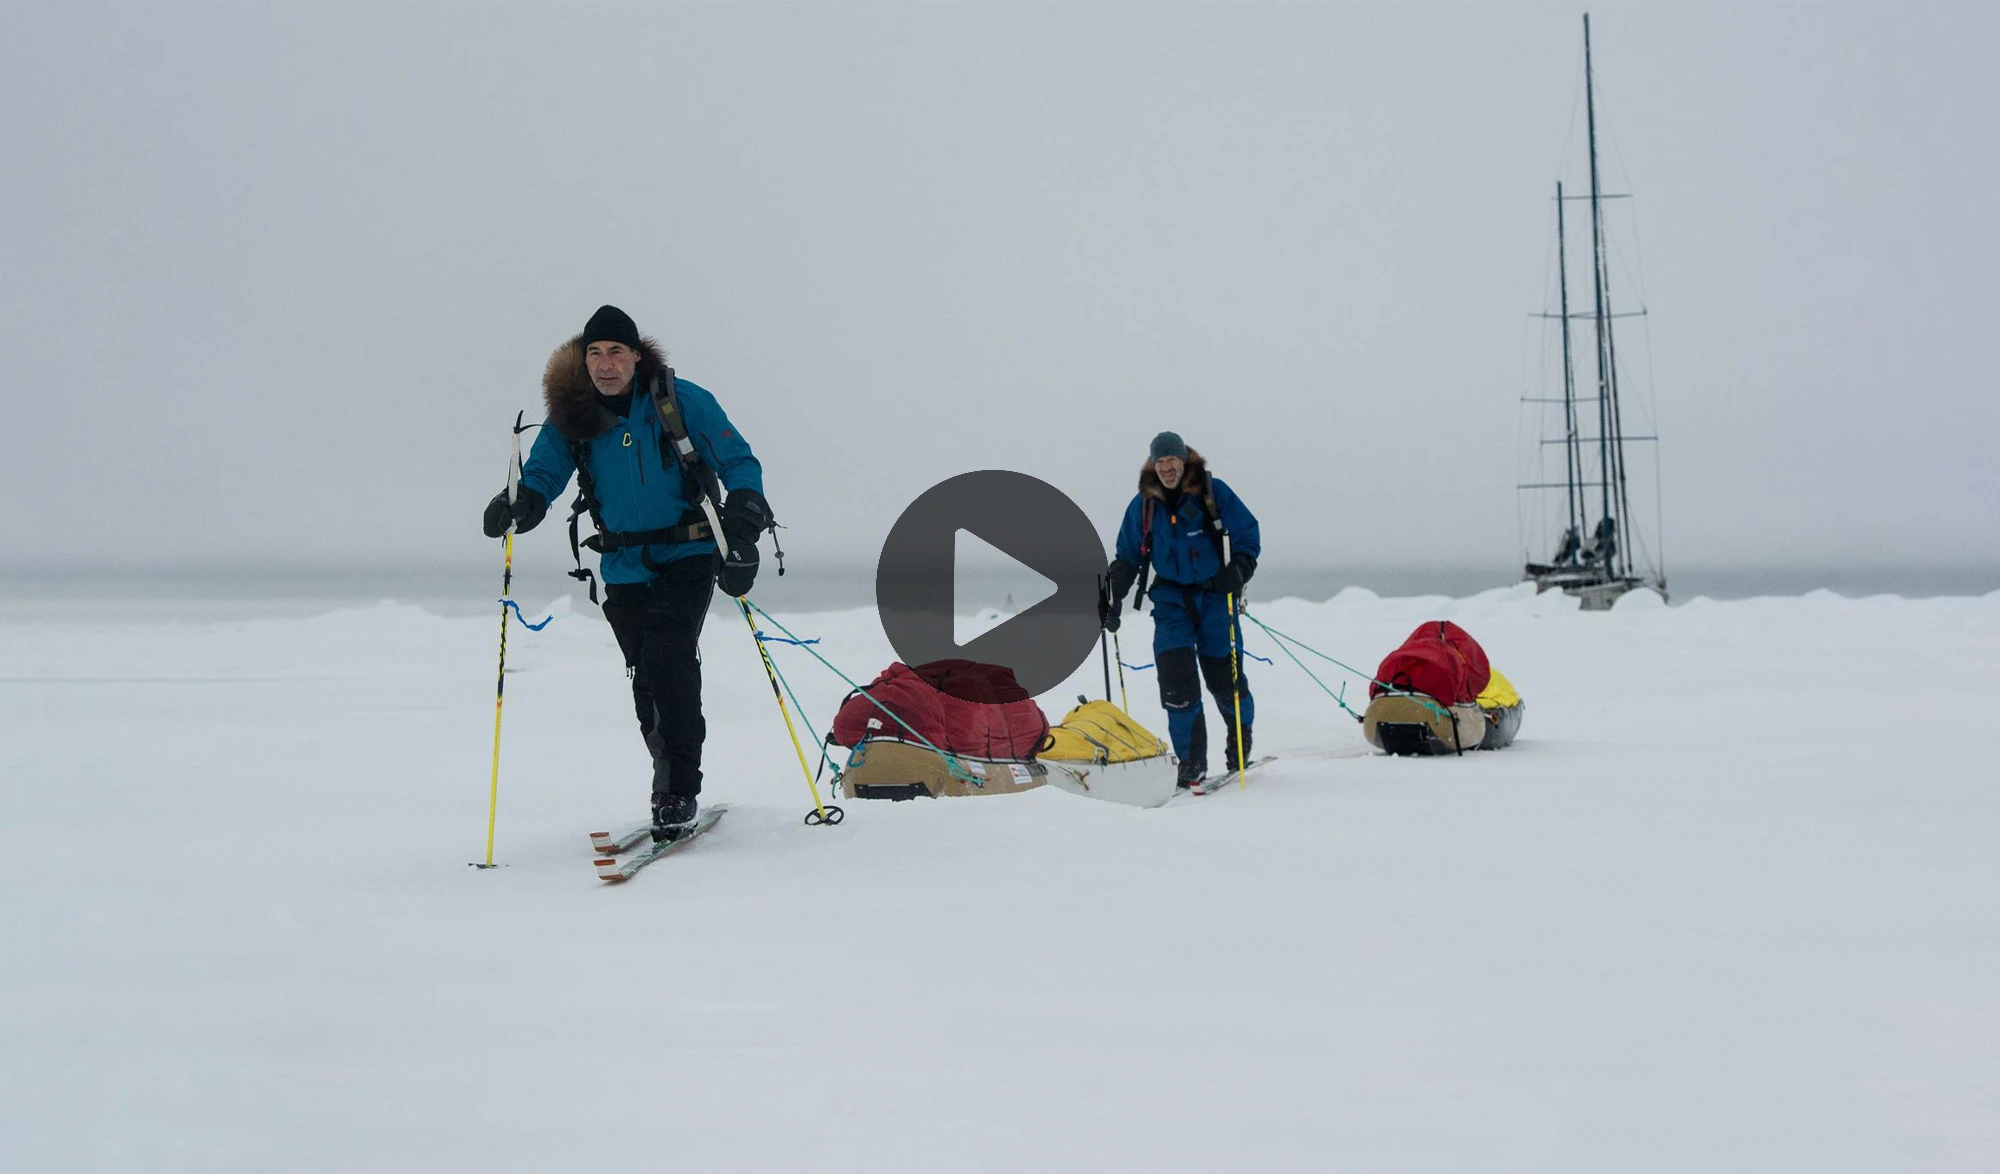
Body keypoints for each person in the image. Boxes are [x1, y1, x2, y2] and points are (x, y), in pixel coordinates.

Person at [480, 305, 771, 836]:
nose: (605, 364)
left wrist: (746, 519)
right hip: (622, 563)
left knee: (668, 657)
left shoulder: (677, 401)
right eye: (594, 353)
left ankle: (676, 791)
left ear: (637, 355)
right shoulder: (574, 413)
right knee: (645, 675)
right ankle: (669, 777)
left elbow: (738, 460)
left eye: (616, 351)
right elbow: (544, 473)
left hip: (688, 552)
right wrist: (519, 504)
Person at [1102, 432, 1260, 787]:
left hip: (1216, 599)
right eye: (1160, 462)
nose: (1167, 467)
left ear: (1184, 459)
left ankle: (1239, 741)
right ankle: (1190, 763)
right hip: (1171, 603)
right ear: (1152, 465)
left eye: (1172, 459)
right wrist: (1113, 597)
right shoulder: (1143, 505)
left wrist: (1239, 570)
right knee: (1176, 684)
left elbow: (1248, 534)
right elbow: (1127, 556)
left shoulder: (1213, 493)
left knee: (1225, 680)